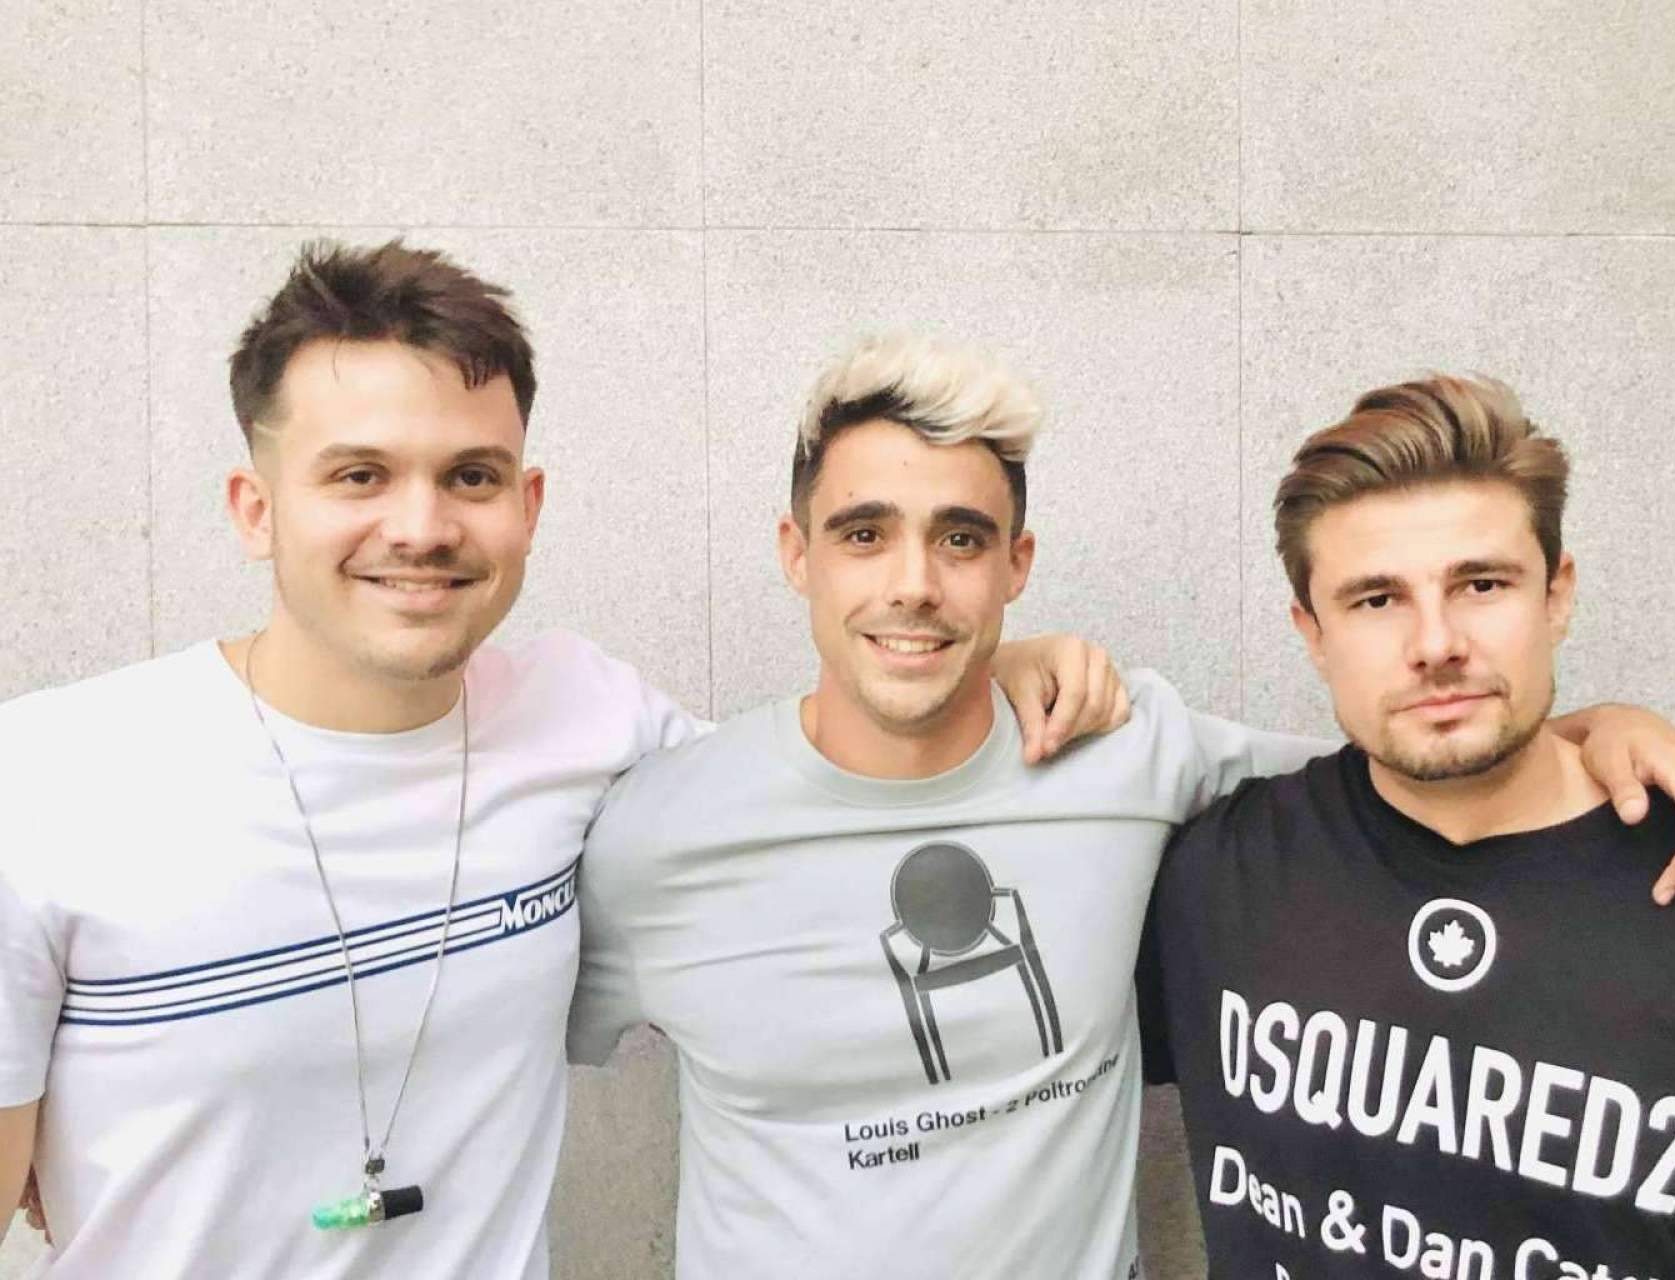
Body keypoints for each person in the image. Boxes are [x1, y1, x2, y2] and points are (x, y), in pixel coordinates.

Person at [0, 242, 1121, 1278]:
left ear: (527, 506)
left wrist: (982, 661)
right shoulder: (46, 786)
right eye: (359, 476)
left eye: (471, 476)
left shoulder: (588, 720)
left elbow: (824, 784)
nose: (421, 526)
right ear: (255, 510)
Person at [569, 337, 1675, 1278]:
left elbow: (1412, 759)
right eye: (864, 533)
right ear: (797, 552)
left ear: (1017, 563)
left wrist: (1590, 728)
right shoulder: (660, 834)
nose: (914, 581)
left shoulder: (1124, 751)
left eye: (961, 537)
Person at [1139, 374, 1675, 1277]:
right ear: (1312, 631)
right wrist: (1014, 672)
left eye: (1481, 583)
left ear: (1557, 595)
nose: (1436, 644)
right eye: (1376, 600)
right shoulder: (1214, 877)